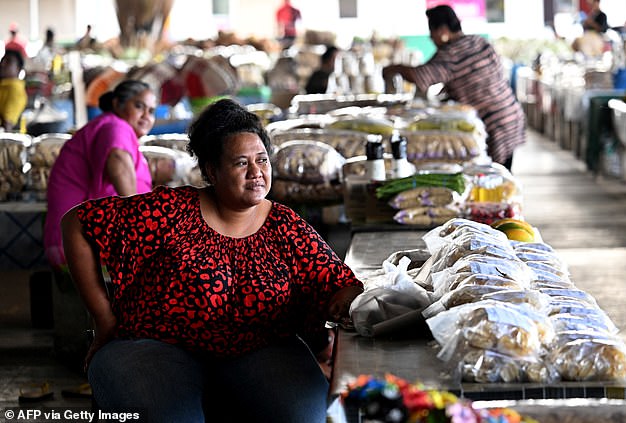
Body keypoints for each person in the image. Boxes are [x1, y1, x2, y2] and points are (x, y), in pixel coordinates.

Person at [60, 98, 363, 422]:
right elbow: (77, 223)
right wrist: (104, 318)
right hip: (154, 347)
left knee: (304, 417)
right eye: (240, 163)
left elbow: (338, 283)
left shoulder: (285, 227)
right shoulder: (170, 211)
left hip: (261, 349)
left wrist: (348, 303)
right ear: (210, 171)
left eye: (262, 160)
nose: (256, 173)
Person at [382, 5, 525, 170]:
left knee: (492, 177)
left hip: (493, 123)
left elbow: (420, 75)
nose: (431, 38)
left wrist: (394, 68)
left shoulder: (451, 53)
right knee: (500, 173)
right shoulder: (478, 41)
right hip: (510, 114)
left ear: (443, 30)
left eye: (432, 32)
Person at [44, 80, 158, 271]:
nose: (146, 116)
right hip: (81, 245)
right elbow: (119, 160)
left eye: (152, 111)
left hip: (78, 239)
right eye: (139, 106)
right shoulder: (116, 127)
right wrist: (141, 223)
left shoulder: (111, 126)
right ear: (117, 104)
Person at [0, 49, 27, 131]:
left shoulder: (14, 88)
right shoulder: (4, 85)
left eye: (8, 62)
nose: (2, 64)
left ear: (18, 69)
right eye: (2, 60)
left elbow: (7, 125)